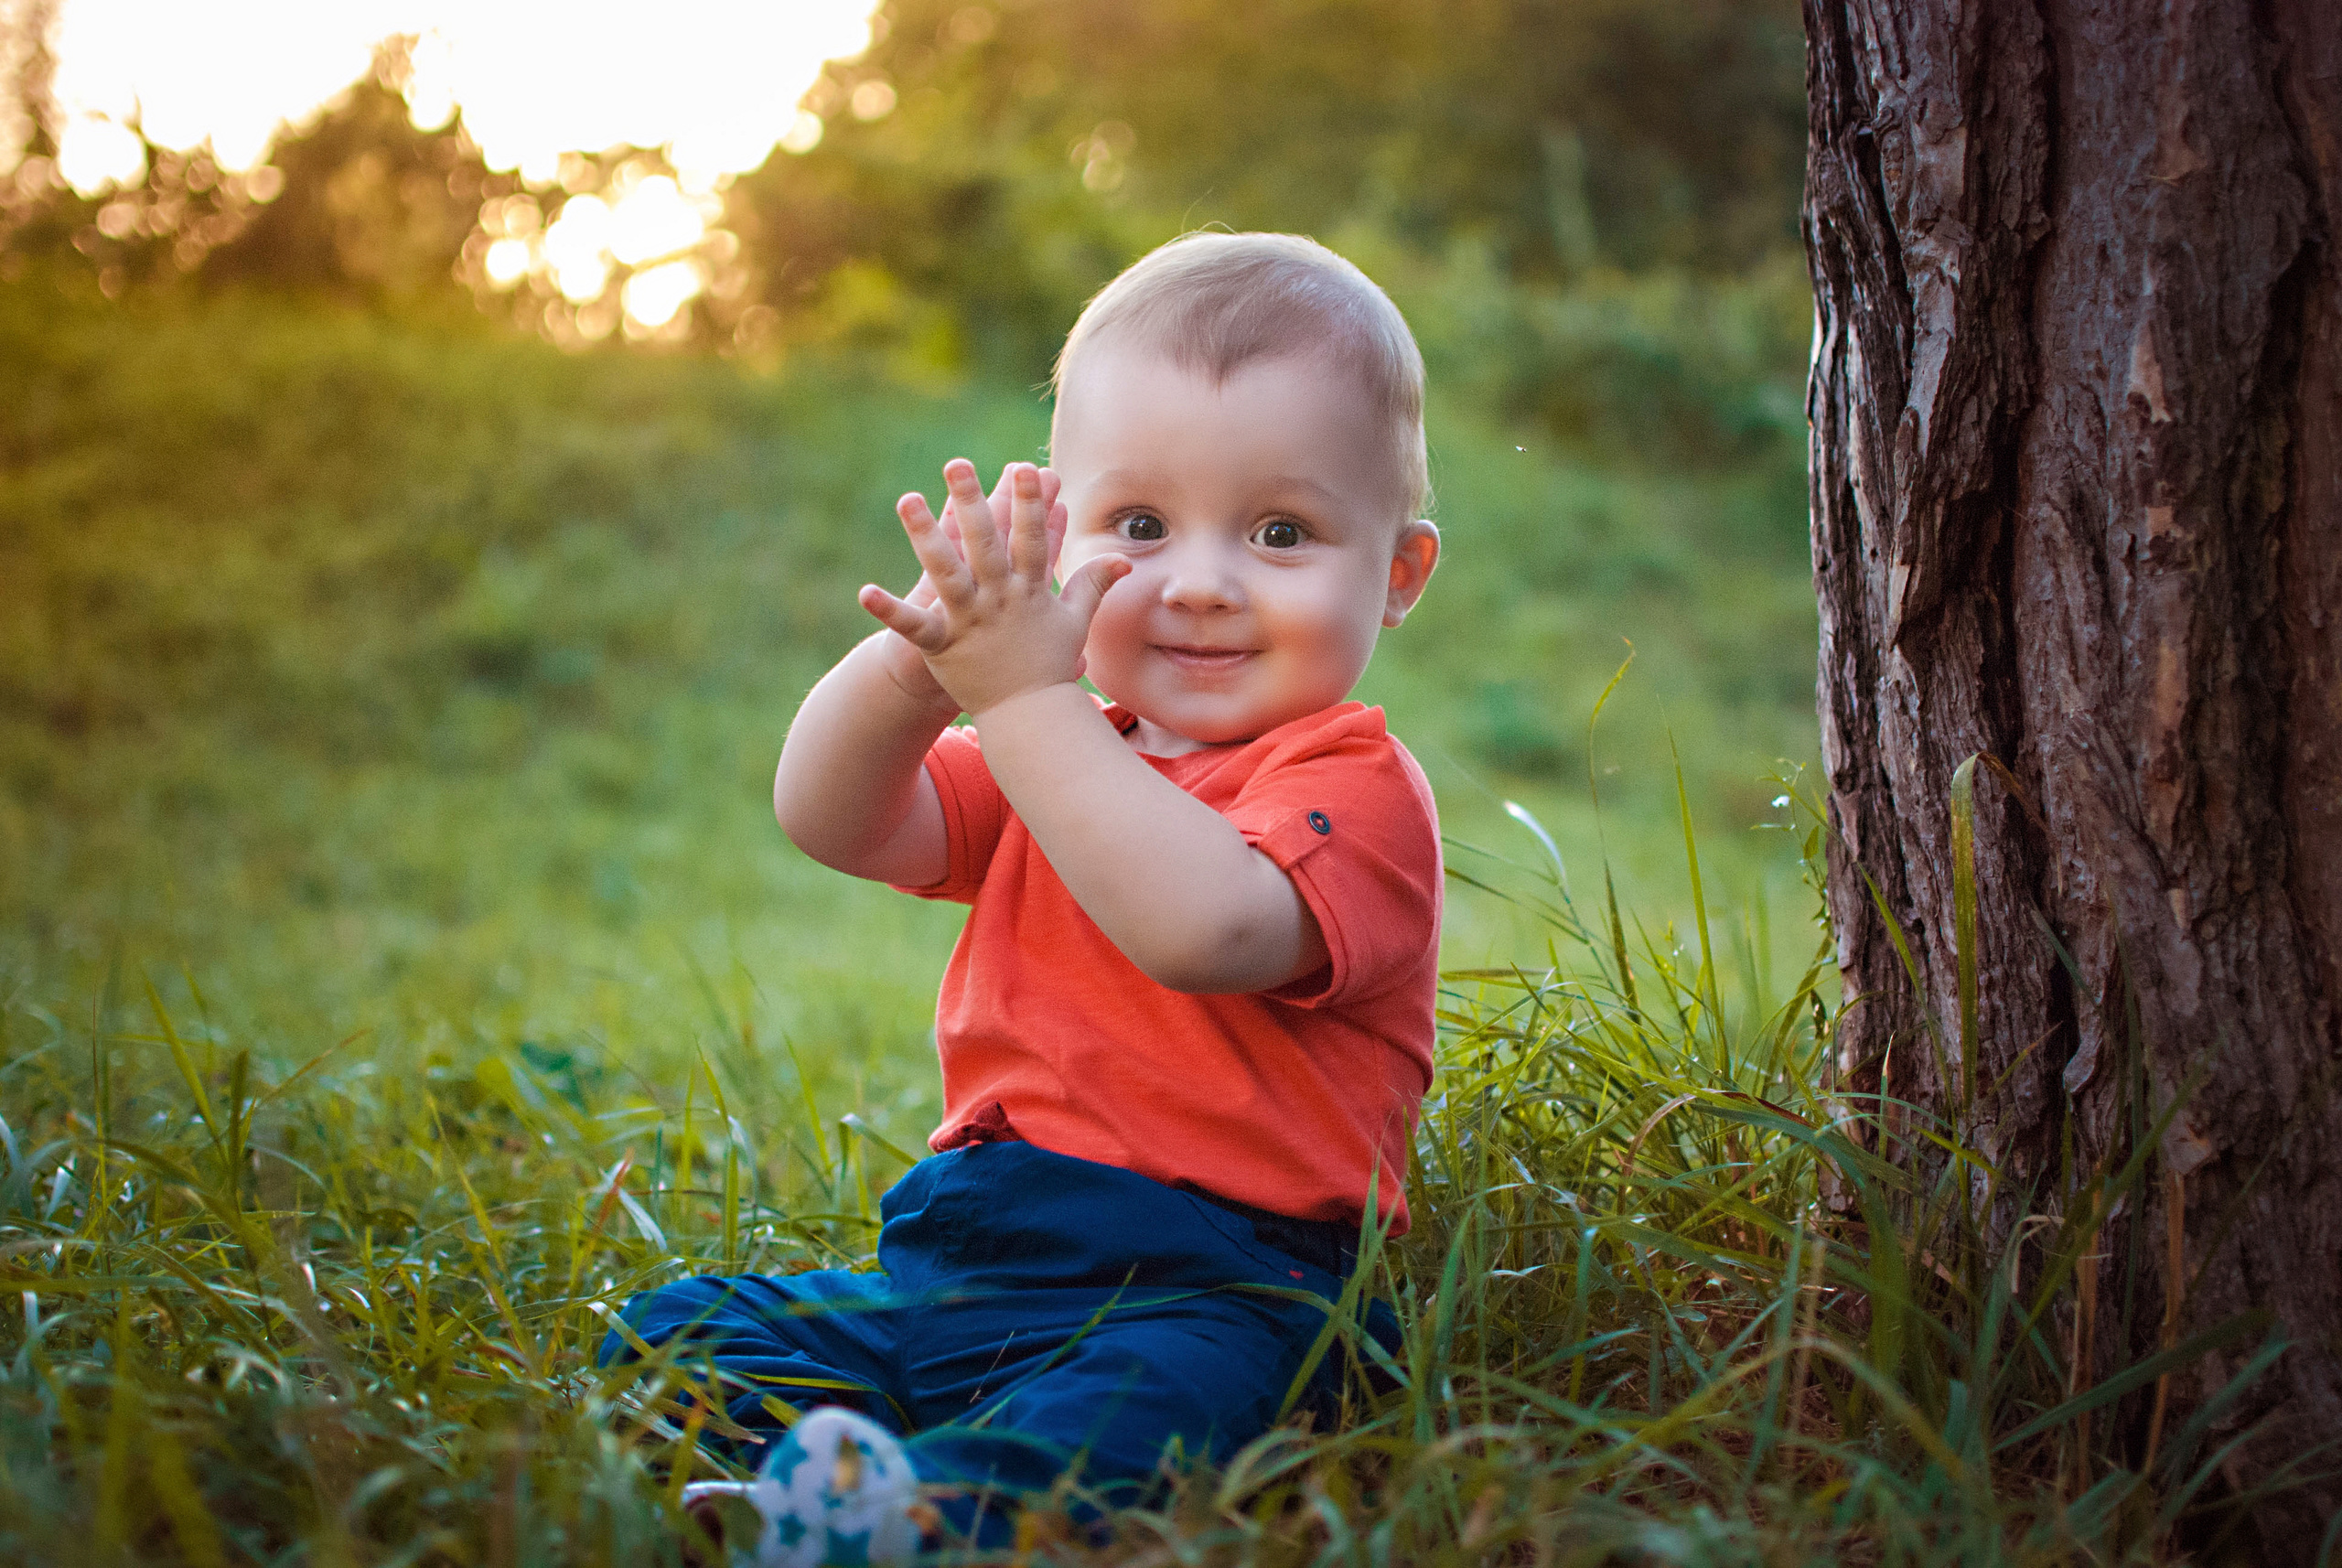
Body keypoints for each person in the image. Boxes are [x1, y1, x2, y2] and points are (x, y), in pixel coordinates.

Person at [601, 231, 1445, 1563]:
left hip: (1225, 1292)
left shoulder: (1355, 785)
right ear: (1062, 540)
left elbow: (1203, 926)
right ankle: (809, 1492)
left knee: (1135, 1418)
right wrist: (924, 662)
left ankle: (922, 1518)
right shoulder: (1069, 746)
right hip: (967, 1268)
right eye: (1140, 526)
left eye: (1282, 531)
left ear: (1396, 573)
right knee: (673, 1337)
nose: (1203, 581)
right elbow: (835, 817)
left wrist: (1023, 698)